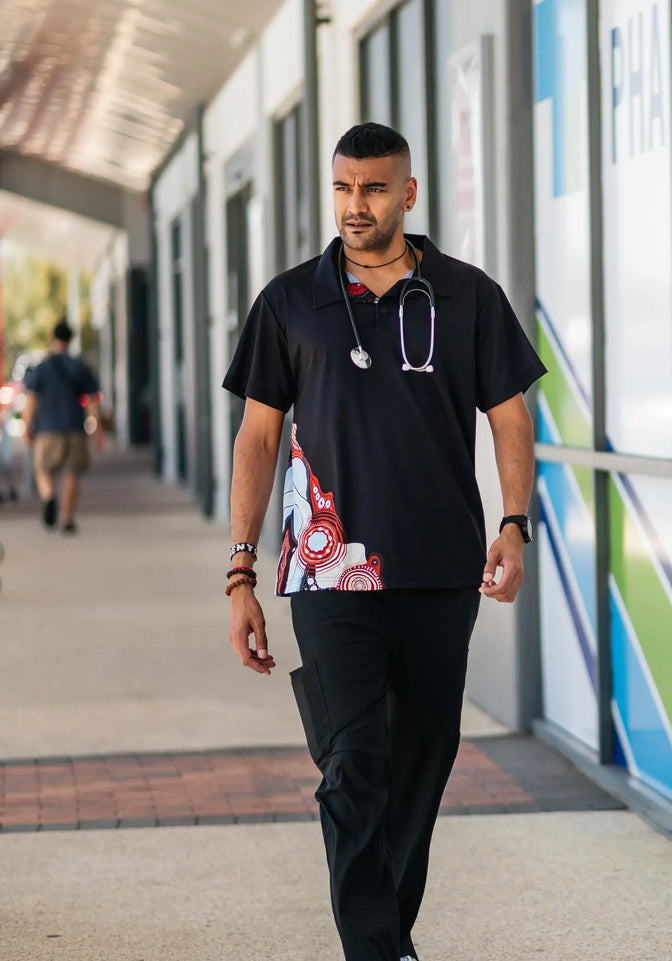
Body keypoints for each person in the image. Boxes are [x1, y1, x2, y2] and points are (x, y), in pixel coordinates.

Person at [222, 122, 545, 961]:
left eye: (371, 189)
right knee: (353, 765)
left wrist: (513, 522)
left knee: (420, 764)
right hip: (327, 572)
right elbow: (258, 438)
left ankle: (385, 933)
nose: (354, 205)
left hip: (440, 570)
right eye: (342, 188)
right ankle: (380, 950)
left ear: (407, 193)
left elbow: (511, 416)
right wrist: (240, 569)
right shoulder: (290, 300)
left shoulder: (468, 295)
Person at [22, 321, 101, 534]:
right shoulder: (80, 367)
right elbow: (93, 401)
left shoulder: (42, 367)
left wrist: (26, 426)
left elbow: (31, 401)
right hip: (74, 427)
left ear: (52, 337)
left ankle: (48, 496)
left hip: (47, 428)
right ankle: (67, 518)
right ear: (71, 339)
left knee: (42, 469)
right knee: (73, 472)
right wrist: (98, 430)